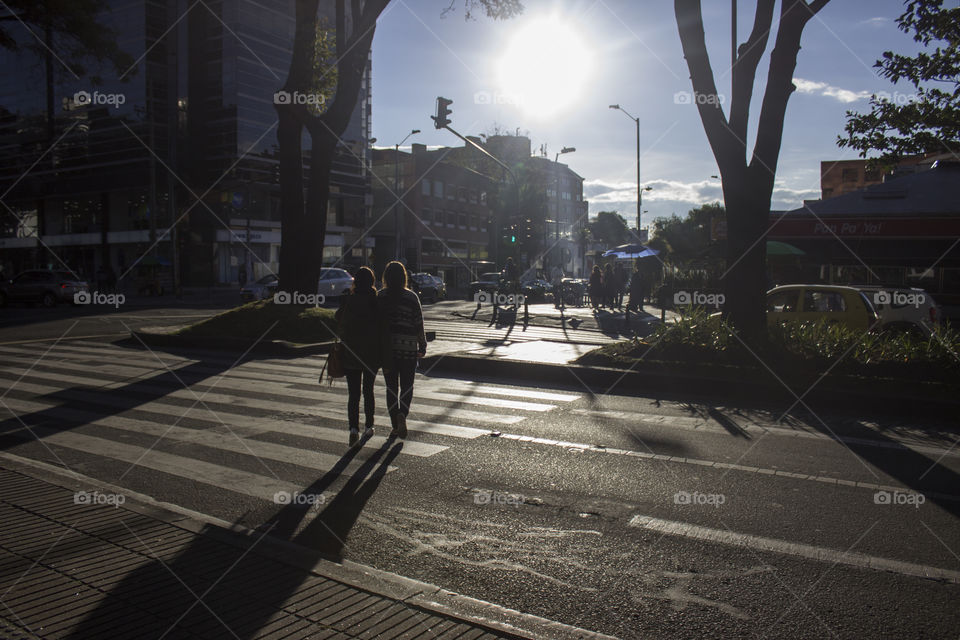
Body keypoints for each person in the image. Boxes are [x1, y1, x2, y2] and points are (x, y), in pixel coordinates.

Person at [378, 261, 427, 439]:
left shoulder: (381, 297)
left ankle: (395, 424)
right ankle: (402, 416)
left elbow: (375, 325)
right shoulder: (411, 297)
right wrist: (422, 345)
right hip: (408, 350)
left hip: (388, 352)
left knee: (391, 388)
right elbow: (418, 323)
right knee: (407, 386)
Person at [335, 266, 381, 447]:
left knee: (353, 394)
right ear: (371, 282)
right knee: (368, 391)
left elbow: (338, 318)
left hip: (351, 352)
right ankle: (369, 426)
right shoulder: (375, 301)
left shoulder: (349, 300)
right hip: (370, 354)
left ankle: (353, 428)